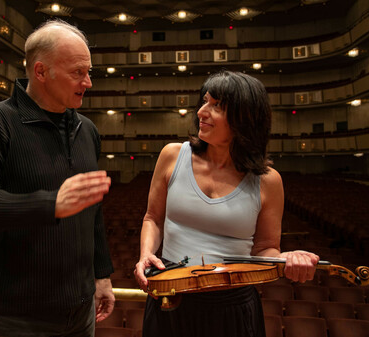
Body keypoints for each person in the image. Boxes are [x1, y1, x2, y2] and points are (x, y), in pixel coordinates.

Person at [0, 19, 114, 337]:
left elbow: (92, 211)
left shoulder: (87, 130)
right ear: (41, 72)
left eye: (89, 71)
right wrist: (52, 203)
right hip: (21, 319)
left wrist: (102, 274)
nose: (89, 82)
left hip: (83, 313)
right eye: (78, 72)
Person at [133, 70, 319, 337]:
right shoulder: (172, 155)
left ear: (245, 118)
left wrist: (285, 258)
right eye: (205, 101)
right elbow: (153, 218)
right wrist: (146, 253)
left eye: (216, 106)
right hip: (171, 294)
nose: (201, 112)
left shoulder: (268, 181)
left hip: (232, 305)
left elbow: (265, 249)